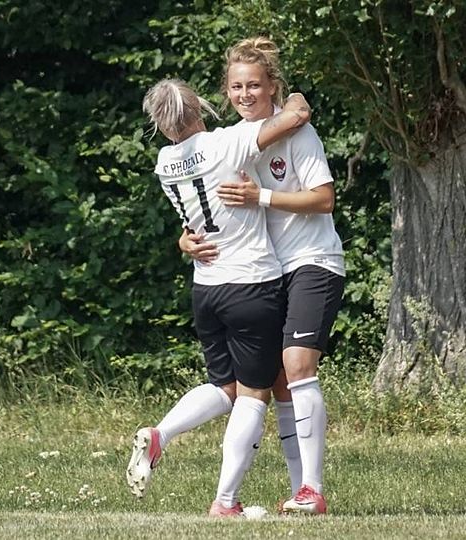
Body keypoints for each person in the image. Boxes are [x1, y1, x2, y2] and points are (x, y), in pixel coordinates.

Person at [126, 78, 312, 517]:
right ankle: (225, 501)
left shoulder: (164, 161)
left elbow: (194, 218)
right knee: (253, 395)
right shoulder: (228, 142)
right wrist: (291, 93)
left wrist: (183, 242)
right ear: (198, 107)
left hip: (206, 286)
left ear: (160, 123)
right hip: (251, 283)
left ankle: (162, 434)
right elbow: (296, 116)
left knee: (224, 387)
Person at [180, 37, 345, 516]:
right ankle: (299, 493)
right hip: (265, 275)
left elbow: (324, 199)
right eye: (236, 87)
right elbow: (202, 209)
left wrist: (262, 198)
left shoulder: (299, 133)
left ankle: (313, 489)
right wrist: (185, 241)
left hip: (313, 260)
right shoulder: (229, 141)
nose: (245, 94)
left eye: (254, 85)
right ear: (226, 91)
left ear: (273, 85)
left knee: (297, 364)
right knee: (276, 383)